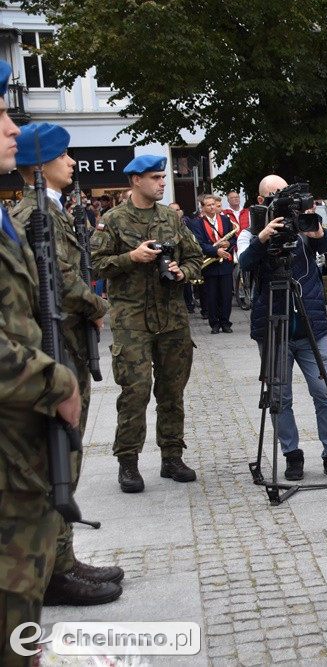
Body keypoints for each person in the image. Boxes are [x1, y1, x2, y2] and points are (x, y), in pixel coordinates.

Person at [9, 123, 122, 606]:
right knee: (59, 457)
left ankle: (63, 560)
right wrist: (98, 308)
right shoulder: (36, 212)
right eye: (64, 155)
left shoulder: (51, 210)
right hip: (55, 349)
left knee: (67, 456)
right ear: (42, 164)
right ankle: (55, 571)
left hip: (65, 343)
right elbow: (59, 281)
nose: (73, 162)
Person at [0, 63, 85, 663]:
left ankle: (58, 567)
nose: (12, 129)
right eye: (0, 119)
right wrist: (55, 379)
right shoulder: (30, 212)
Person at [91, 154, 203, 493]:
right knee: (135, 392)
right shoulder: (112, 220)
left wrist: (185, 272)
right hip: (131, 321)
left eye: (163, 177)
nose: (161, 182)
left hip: (171, 319)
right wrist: (131, 257)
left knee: (172, 391)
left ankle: (171, 456)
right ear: (136, 180)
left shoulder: (171, 218)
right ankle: (128, 462)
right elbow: (95, 265)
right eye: (155, 177)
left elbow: (196, 256)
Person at [238, 175, 327, 481]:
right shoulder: (250, 232)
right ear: (261, 201)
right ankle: (292, 454)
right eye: (275, 196)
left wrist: (317, 229)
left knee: (324, 392)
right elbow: (244, 263)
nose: (283, 201)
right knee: (280, 398)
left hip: (310, 323)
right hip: (272, 327)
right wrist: (263, 238)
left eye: (286, 194)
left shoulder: (303, 224)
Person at [192, 194, 237, 334]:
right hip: (210, 263)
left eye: (213, 204)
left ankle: (225, 322)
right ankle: (214, 324)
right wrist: (216, 251)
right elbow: (200, 243)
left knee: (226, 295)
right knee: (211, 295)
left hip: (225, 263)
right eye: (209, 205)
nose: (212, 207)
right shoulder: (197, 223)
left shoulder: (225, 220)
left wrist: (228, 243)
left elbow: (234, 238)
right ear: (203, 208)